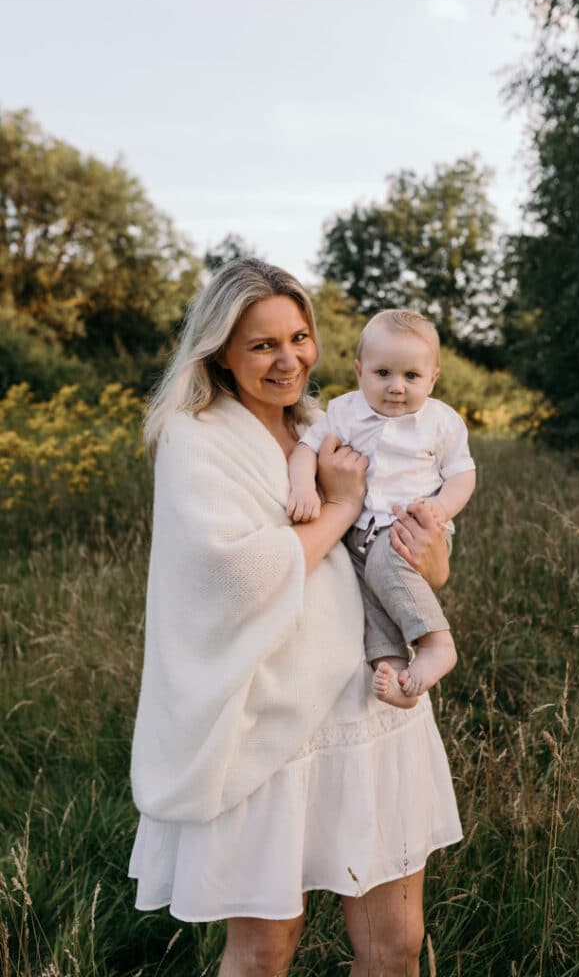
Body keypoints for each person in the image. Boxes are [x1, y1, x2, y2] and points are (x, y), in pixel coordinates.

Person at [128, 259, 463, 977]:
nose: (290, 360)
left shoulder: (332, 421)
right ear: (220, 350)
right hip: (273, 723)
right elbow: (236, 571)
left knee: (394, 945)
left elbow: (419, 560)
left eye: (300, 337)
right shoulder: (199, 438)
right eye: (262, 345)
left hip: (374, 705)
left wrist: (430, 558)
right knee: (263, 950)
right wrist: (340, 504)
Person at [287, 309, 476, 709]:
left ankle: (436, 642)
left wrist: (441, 509)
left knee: (386, 566)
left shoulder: (441, 422)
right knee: (366, 597)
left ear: (433, 378)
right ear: (359, 371)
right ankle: (397, 675)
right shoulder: (344, 412)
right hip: (359, 531)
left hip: (409, 524)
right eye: (383, 373)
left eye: (411, 376)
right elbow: (307, 447)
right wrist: (303, 486)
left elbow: (462, 475)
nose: (396, 387)